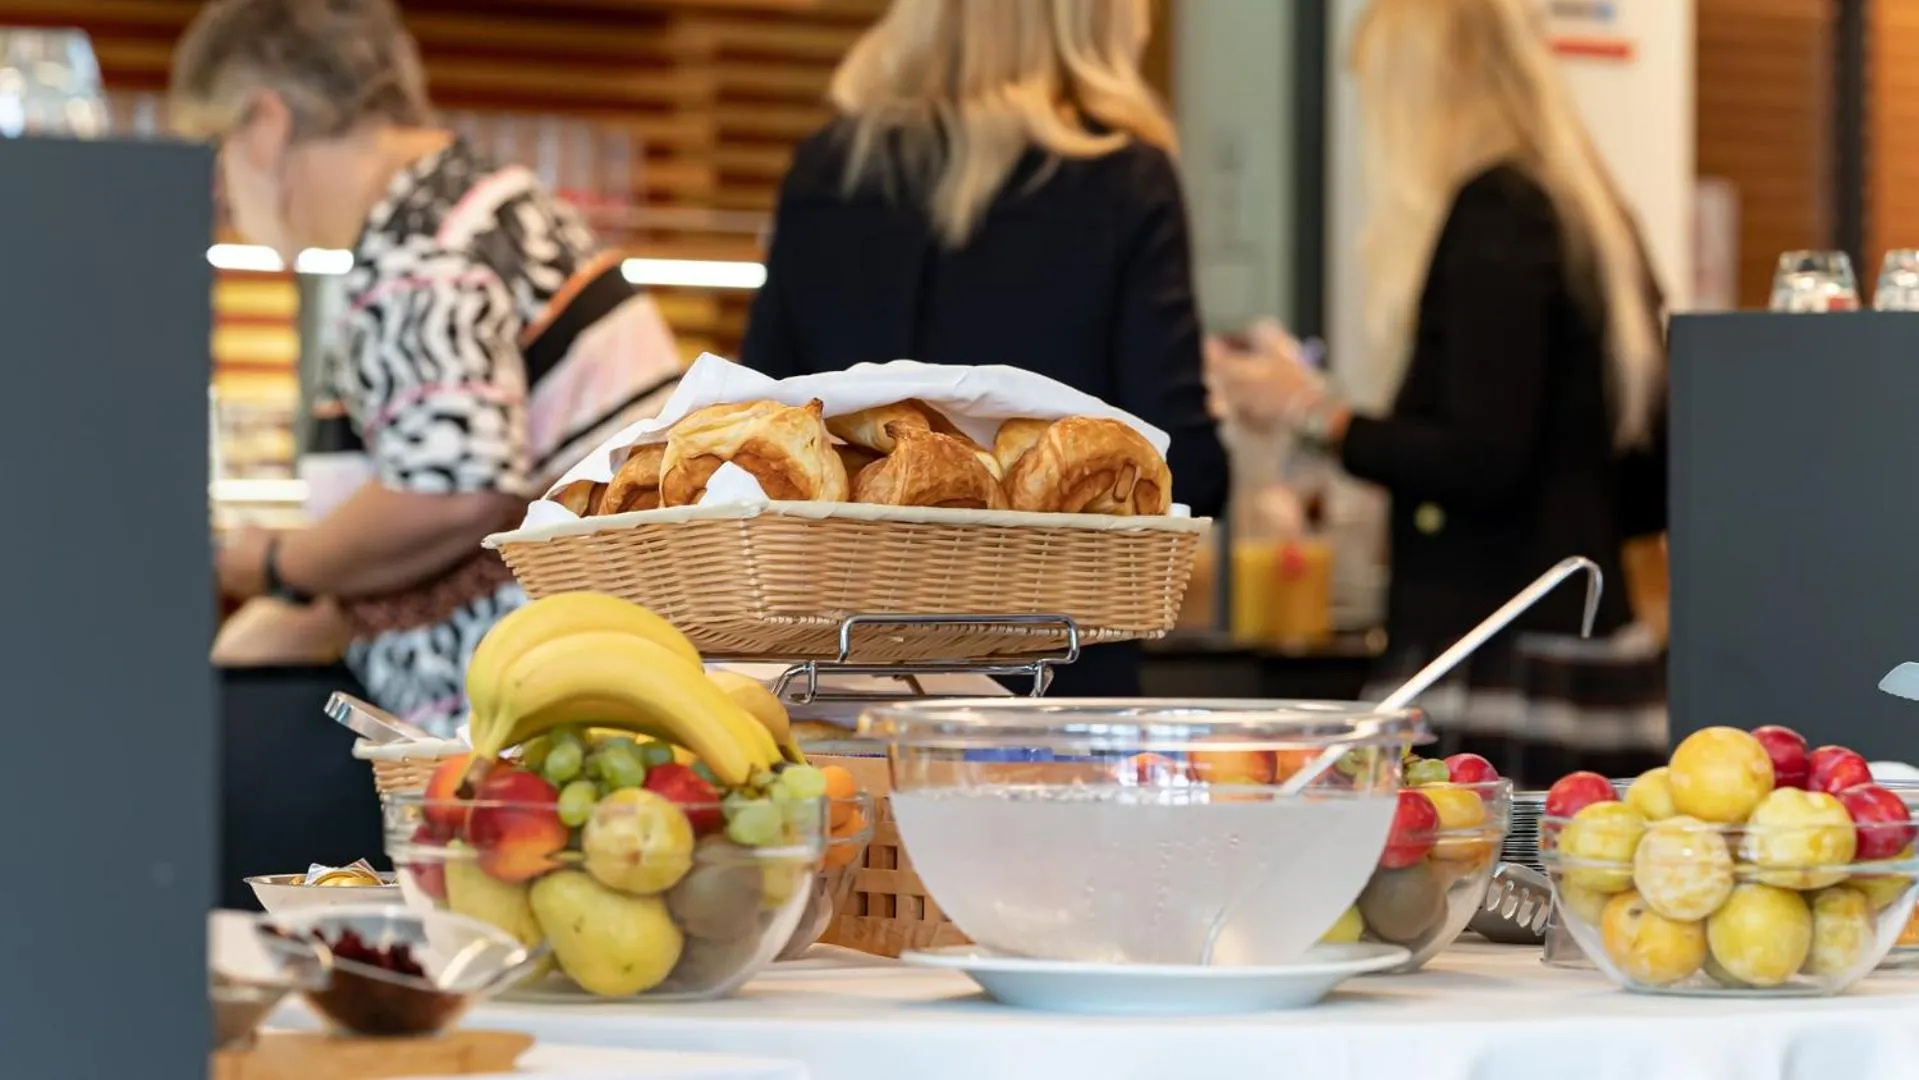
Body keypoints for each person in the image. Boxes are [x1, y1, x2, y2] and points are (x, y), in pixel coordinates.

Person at [175, 0, 685, 733]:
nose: (225, 197)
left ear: (266, 124)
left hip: (538, 713)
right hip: (608, 674)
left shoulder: (416, 248)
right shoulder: (478, 199)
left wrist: (278, 562)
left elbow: (453, 493)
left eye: (216, 154)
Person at [1205, 0, 1668, 781]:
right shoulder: (1592, 215)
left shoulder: (1497, 213)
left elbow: (1483, 454)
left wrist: (1314, 413)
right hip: (1589, 649)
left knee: (1453, 895)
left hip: (1492, 656)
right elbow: (1646, 477)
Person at [740, 0, 1227, 695]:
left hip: (838, 670)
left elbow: (766, 423)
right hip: (1050, 675)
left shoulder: (827, 170)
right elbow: (1184, 465)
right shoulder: (1123, 181)